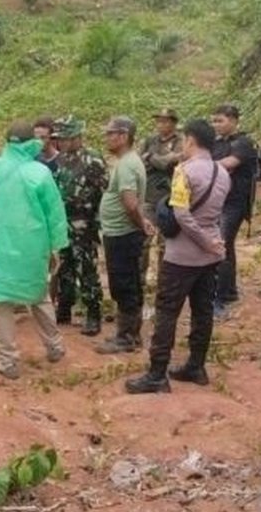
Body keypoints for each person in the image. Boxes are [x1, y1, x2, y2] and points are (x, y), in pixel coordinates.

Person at [125, 119, 230, 393]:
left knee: (167, 312)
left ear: (191, 141)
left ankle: (157, 373)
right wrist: (212, 243)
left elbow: (182, 215)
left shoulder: (184, 171)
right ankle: (196, 366)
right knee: (203, 311)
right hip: (209, 259)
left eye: (184, 141)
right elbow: (214, 215)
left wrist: (205, 242)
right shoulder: (223, 173)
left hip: (181, 256)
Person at [0, 120, 69, 380]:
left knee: (2, 303)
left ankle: (7, 360)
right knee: (38, 295)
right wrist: (58, 246)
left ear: (8, 143)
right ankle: (54, 346)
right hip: (31, 247)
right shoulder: (39, 173)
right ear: (31, 142)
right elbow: (55, 214)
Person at [96, 116, 155, 354]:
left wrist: (140, 224)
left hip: (123, 234)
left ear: (123, 136)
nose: (107, 138)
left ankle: (127, 337)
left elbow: (130, 203)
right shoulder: (127, 162)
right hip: (120, 232)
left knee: (124, 285)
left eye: (111, 134)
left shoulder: (128, 164)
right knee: (127, 283)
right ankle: (129, 334)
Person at [51, 115, 108, 335]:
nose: (61, 142)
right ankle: (64, 308)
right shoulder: (61, 160)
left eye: (65, 138)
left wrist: (95, 221)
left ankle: (93, 314)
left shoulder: (93, 160)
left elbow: (104, 192)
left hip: (84, 224)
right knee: (64, 267)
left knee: (87, 270)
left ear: (77, 137)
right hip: (63, 222)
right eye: (59, 139)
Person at [209, 104, 260, 320]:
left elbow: (228, 164)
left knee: (220, 245)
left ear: (233, 120)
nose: (216, 125)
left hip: (234, 203)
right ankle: (228, 291)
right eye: (214, 121)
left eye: (220, 120)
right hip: (218, 201)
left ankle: (219, 299)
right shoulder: (216, 143)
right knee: (225, 246)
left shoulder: (244, 143)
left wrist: (202, 165)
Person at [140, 108, 185, 278]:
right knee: (143, 238)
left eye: (166, 121)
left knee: (166, 243)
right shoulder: (150, 140)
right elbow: (140, 161)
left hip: (169, 197)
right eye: (159, 121)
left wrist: (152, 158)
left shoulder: (181, 140)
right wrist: (161, 160)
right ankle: (140, 279)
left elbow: (175, 161)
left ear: (174, 123)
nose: (161, 124)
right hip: (149, 195)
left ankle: (164, 279)